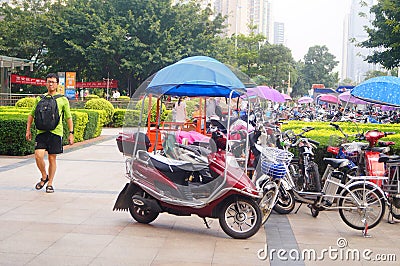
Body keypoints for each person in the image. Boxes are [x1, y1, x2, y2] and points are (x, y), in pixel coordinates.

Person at [26, 73, 74, 193]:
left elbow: (68, 117)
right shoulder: (40, 98)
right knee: (38, 156)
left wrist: (71, 133)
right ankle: (44, 176)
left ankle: (50, 183)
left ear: (57, 84)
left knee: (52, 159)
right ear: (46, 83)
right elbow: (31, 114)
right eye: (48, 81)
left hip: (56, 133)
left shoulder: (63, 100)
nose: (51, 84)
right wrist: (28, 130)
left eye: (53, 82)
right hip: (41, 132)